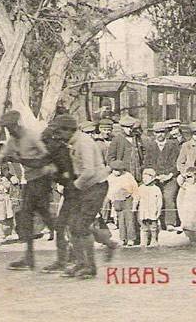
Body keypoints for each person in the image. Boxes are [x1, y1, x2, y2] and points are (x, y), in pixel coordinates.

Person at [0, 110, 54, 271]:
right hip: (30, 181)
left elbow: (46, 157)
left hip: (42, 179)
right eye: (7, 128)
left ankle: (68, 245)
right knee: (27, 216)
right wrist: (2, 157)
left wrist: (20, 159)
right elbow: (0, 157)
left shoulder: (31, 135)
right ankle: (29, 257)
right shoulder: (12, 141)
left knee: (44, 215)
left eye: (11, 127)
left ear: (17, 124)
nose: (9, 131)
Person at [54, 113, 110, 279]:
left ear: (68, 130)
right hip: (85, 187)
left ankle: (89, 266)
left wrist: (74, 186)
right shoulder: (73, 142)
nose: (57, 135)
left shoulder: (83, 142)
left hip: (95, 187)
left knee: (80, 227)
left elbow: (89, 171)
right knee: (73, 226)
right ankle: (81, 263)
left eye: (59, 131)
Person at [143, 121, 181, 231]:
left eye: (162, 132)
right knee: (153, 196)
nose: (160, 135)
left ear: (166, 133)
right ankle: (155, 221)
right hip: (155, 177)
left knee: (168, 197)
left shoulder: (173, 145)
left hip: (170, 177)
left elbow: (177, 163)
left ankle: (170, 223)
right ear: (154, 133)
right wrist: (154, 175)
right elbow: (147, 163)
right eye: (157, 132)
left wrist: (169, 175)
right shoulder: (150, 146)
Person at [106, 159, 138, 247]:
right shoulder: (110, 178)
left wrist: (135, 201)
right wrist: (112, 201)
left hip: (127, 199)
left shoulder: (128, 176)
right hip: (117, 200)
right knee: (120, 220)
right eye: (114, 170)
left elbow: (135, 188)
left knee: (129, 219)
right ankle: (123, 238)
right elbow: (109, 190)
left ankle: (131, 238)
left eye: (118, 170)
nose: (116, 172)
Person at [107, 114, 145, 183]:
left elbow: (143, 153)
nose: (129, 130)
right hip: (123, 173)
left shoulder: (137, 138)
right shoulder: (117, 139)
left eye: (131, 127)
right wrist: (116, 169)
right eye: (127, 128)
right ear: (122, 128)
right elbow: (111, 157)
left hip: (137, 172)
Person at [177, 167, 196, 246]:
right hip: (187, 209)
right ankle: (191, 239)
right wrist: (184, 175)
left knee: (195, 225)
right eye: (187, 177)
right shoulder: (185, 186)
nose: (189, 179)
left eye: (191, 177)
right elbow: (179, 180)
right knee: (187, 225)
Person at [134, 168, 162, 247]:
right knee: (144, 226)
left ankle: (154, 240)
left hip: (153, 210)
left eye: (147, 177)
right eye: (143, 178)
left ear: (152, 178)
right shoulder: (140, 188)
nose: (144, 179)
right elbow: (136, 198)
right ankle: (144, 241)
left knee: (153, 226)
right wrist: (134, 207)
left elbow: (159, 201)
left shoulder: (156, 189)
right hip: (143, 210)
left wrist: (159, 210)